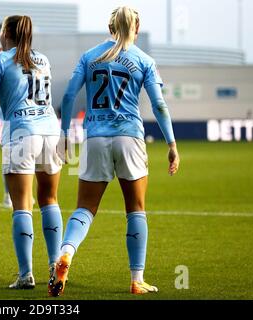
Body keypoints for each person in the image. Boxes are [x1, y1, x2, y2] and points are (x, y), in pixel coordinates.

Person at [48, 6, 180, 296]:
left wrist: (63, 135)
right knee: (135, 209)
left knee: (84, 208)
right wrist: (171, 144)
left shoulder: (89, 56)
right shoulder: (144, 60)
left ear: (109, 27)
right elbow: (159, 105)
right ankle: (136, 280)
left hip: (95, 138)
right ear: (136, 27)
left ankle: (66, 253)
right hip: (129, 138)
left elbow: (69, 95)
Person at [0, 15, 63, 289]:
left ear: (5, 33)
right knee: (49, 199)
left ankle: (26, 274)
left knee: (22, 205)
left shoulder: (1, 60)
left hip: (21, 131)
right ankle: (55, 266)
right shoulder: (42, 59)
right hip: (51, 130)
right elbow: (10, 95)